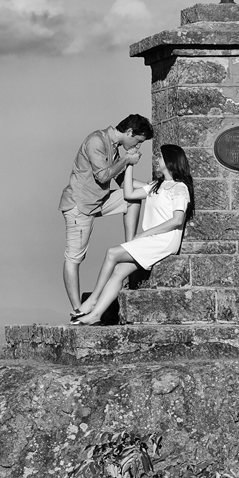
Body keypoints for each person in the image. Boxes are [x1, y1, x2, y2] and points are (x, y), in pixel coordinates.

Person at [74, 143, 195, 326]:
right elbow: (129, 193)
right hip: (151, 239)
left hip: (163, 240)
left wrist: (145, 234)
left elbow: (177, 220)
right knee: (118, 271)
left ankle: (93, 300)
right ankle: (95, 315)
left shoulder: (180, 188)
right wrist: (130, 164)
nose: (157, 160)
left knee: (112, 253)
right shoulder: (157, 185)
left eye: (160, 157)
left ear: (170, 161)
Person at [59, 114, 154, 325]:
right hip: (80, 205)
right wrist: (126, 160)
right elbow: (102, 176)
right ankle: (78, 310)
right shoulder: (97, 141)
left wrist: (153, 188)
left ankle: (130, 247)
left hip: (99, 200)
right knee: (75, 257)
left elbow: (122, 182)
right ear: (129, 132)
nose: (137, 146)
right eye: (138, 141)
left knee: (131, 198)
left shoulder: (114, 146)